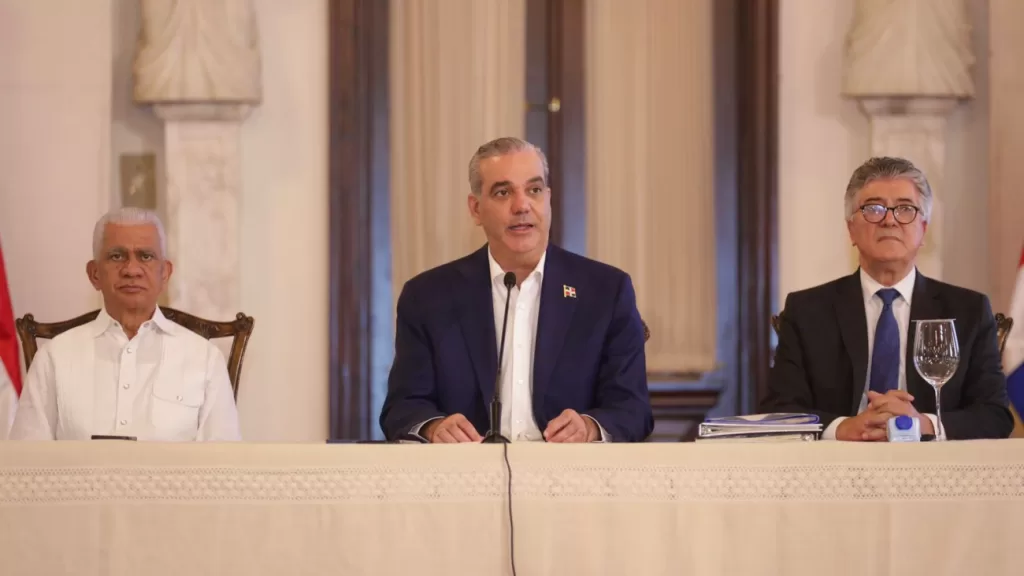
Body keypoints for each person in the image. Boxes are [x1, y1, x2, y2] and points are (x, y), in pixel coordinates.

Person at [380, 137, 653, 443]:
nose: (522, 205)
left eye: (534, 190)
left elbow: (633, 409)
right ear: (476, 208)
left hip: (569, 480)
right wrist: (433, 427)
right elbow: (402, 407)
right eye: (503, 192)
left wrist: (589, 427)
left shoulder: (605, 291)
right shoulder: (428, 297)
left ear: (548, 200)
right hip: (468, 479)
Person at [761, 157, 1013, 440]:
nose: (889, 220)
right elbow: (780, 409)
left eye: (905, 209)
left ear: (924, 230)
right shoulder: (807, 311)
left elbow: (994, 415)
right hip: (836, 467)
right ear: (851, 229)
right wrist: (844, 427)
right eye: (874, 208)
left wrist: (921, 424)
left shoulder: (968, 311)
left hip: (936, 471)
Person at [10, 208, 241, 441]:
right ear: (94, 274)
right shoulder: (55, 358)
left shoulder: (205, 360)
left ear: (165, 273)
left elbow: (224, 468)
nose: (131, 270)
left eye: (146, 256)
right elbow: (24, 465)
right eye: (117, 256)